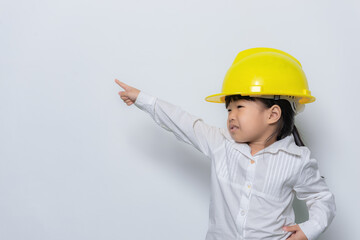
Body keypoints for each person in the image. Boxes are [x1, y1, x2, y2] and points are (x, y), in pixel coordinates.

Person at [115, 47, 336, 240]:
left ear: (273, 114)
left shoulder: (296, 159)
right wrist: (143, 99)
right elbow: (183, 122)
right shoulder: (221, 143)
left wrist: (310, 229)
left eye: (240, 107)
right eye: (229, 109)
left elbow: (322, 198)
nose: (231, 115)